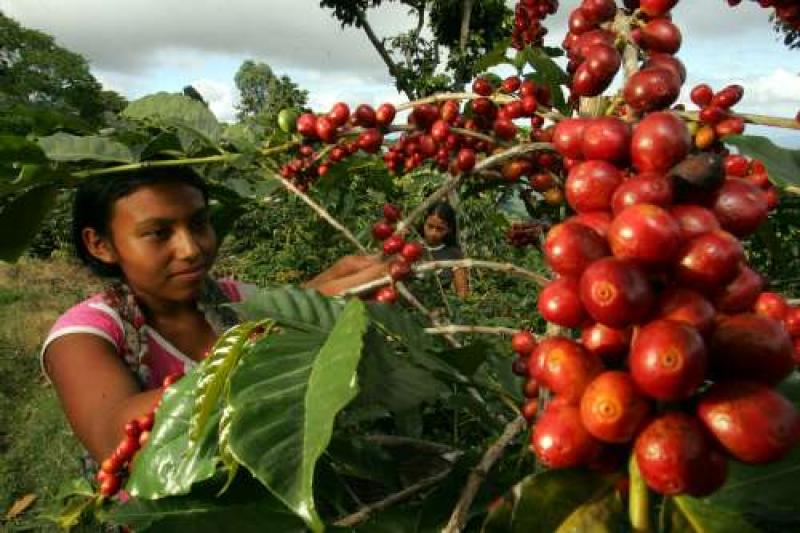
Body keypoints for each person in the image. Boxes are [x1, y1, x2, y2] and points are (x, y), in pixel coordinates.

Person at [41, 167, 387, 463]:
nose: (191, 249)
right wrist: (291, 330)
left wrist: (317, 297)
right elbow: (117, 440)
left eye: (199, 223)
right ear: (99, 244)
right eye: (158, 234)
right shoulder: (84, 335)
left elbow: (281, 313)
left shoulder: (234, 299)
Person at [419, 201, 469, 298]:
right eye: (430, 226)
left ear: (449, 229)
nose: (433, 233)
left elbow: (462, 292)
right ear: (424, 222)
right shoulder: (410, 246)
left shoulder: (454, 254)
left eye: (440, 229)